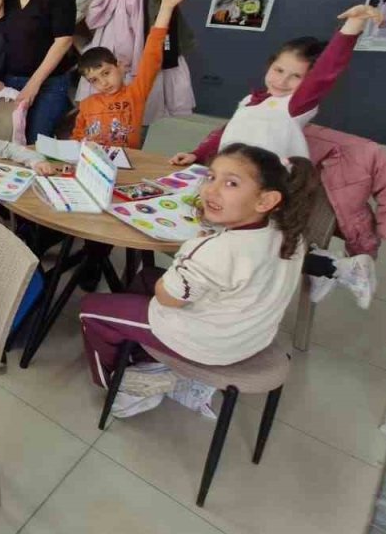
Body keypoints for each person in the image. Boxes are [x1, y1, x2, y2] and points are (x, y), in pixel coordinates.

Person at [77, 143, 319, 418]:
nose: (210, 191)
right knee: (145, 276)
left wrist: (188, 253)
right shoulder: (291, 234)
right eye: (211, 177)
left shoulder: (216, 249)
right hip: (250, 334)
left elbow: (168, 296)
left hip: (207, 343)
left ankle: (123, 385)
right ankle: (149, 361)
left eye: (231, 183)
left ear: (265, 200)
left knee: (90, 308)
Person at [170, 4, 385, 306]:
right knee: (259, 241)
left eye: (295, 77)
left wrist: (351, 29)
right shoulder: (252, 100)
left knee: (265, 244)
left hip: (265, 190)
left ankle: (342, 269)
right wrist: (196, 154)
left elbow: (325, 74)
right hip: (237, 183)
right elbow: (227, 131)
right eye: (278, 70)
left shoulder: (295, 105)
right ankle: (323, 268)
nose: (282, 81)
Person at [72, 0, 196, 148]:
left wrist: (166, 7)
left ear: (120, 67)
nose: (103, 83)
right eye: (94, 80)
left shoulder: (135, 94)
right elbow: (77, 138)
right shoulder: (87, 105)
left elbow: (152, 55)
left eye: (106, 73)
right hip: (92, 165)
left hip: (126, 163)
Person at [0, 0, 77, 143]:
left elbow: (63, 41)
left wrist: (34, 84)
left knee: (36, 143)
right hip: (11, 82)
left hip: (48, 84)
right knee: (11, 142)